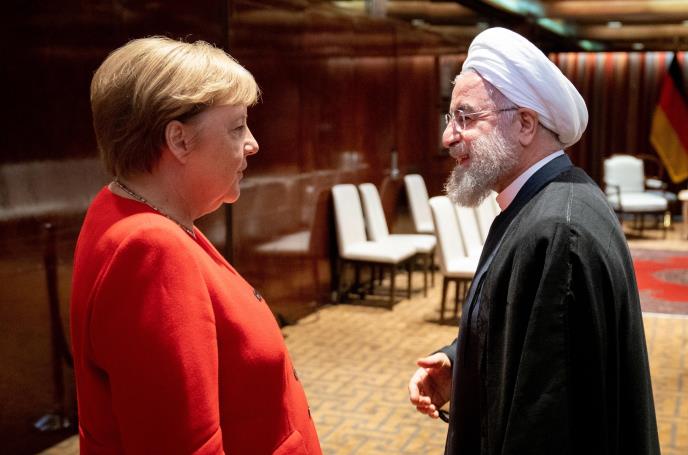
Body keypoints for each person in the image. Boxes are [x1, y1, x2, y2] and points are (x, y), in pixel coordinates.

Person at [408, 27, 659, 454]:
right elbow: (525, 329)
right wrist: (459, 360)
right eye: (450, 119)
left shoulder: (558, 232)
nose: (448, 137)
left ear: (525, 124)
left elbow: (550, 424)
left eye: (466, 118)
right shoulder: (542, 204)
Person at [71, 36, 322, 454]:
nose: (253, 143)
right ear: (179, 140)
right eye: (237, 127)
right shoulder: (151, 249)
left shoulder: (124, 209)